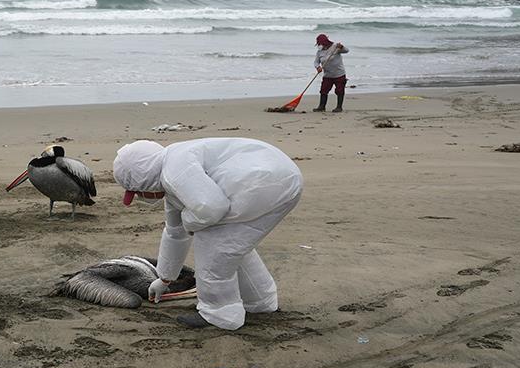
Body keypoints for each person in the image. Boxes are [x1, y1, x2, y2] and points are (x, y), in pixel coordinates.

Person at [113, 138, 303, 330]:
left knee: (213, 240)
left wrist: (190, 222)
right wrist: (164, 278)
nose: (140, 196)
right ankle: (260, 301)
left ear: (144, 179)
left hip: (261, 183)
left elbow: (211, 208)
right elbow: (175, 233)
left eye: (137, 191)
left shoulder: (175, 170)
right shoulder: (173, 167)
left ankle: (220, 314)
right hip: (284, 179)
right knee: (234, 244)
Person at [313, 33, 349, 112]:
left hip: (339, 74)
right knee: (323, 91)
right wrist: (318, 67)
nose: (321, 45)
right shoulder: (319, 51)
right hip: (327, 75)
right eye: (319, 43)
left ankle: (339, 107)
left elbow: (346, 50)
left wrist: (341, 47)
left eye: (322, 43)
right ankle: (322, 107)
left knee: (339, 91)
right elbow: (316, 62)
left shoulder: (336, 46)